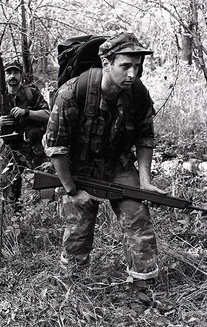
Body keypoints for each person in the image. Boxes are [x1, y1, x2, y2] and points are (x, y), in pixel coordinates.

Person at [44, 32, 165, 281]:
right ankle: (73, 283)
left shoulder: (138, 94)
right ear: (106, 64)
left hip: (118, 165)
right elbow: (57, 148)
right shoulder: (71, 93)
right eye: (125, 66)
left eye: (137, 67)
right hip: (78, 170)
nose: (132, 74)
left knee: (138, 218)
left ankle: (145, 283)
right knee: (79, 226)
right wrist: (72, 189)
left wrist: (144, 181)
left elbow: (144, 138)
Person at [0, 61, 50, 210]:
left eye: (16, 73)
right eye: (9, 73)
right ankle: (13, 216)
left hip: (32, 146)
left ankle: (46, 211)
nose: (12, 76)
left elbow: (48, 114)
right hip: (9, 148)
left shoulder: (31, 93)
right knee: (8, 184)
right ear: (5, 77)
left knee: (46, 177)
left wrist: (26, 112)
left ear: (21, 75)